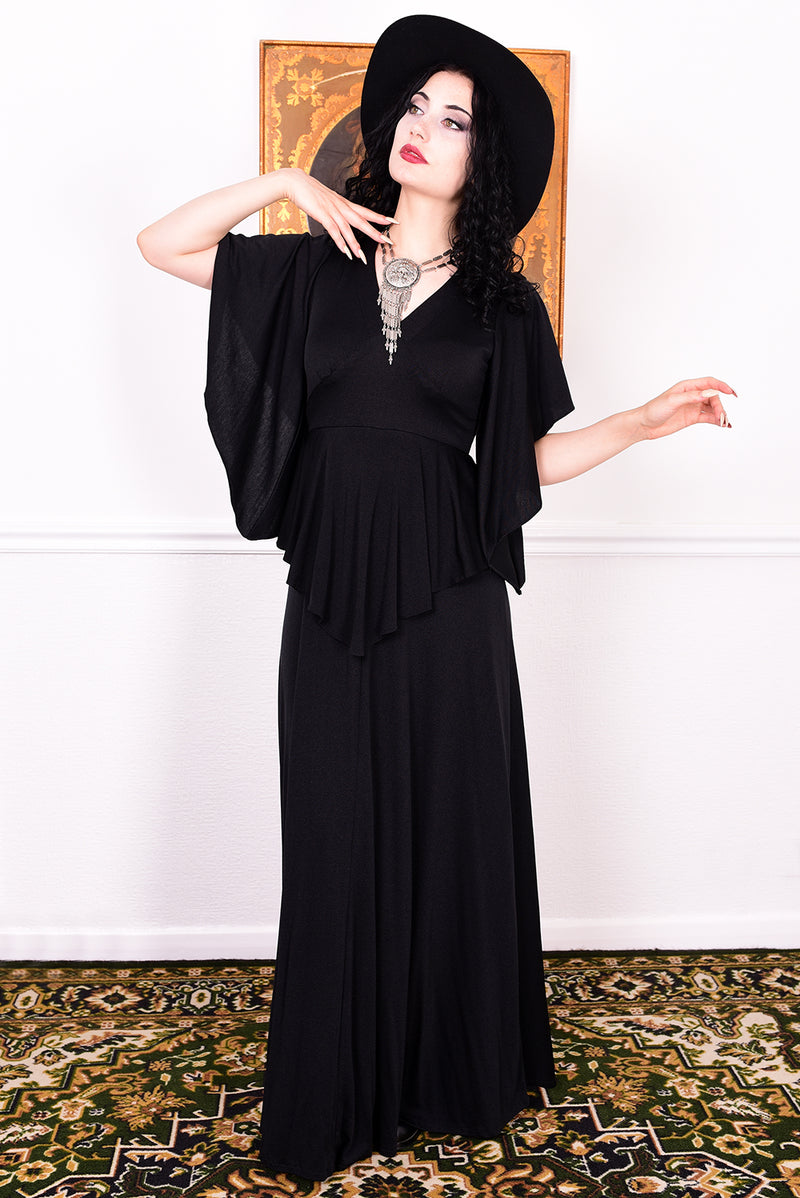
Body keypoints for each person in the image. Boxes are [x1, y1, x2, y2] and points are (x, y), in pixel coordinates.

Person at [136, 14, 735, 1182]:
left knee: (448, 829)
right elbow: (160, 246)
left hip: (453, 600)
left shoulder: (504, 311)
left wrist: (638, 422)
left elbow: (523, 459)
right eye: (413, 105)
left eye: (452, 119)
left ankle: (445, 1073)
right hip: (329, 592)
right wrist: (278, 184)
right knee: (332, 831)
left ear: (482, 157)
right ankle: (338, 1080)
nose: (422, 128)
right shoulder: (309, 263)